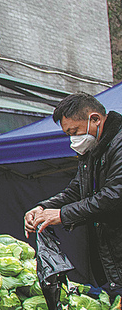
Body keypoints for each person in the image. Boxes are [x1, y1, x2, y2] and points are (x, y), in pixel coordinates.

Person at [25, 93, 122, 286]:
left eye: (75, 131)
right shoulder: (92, 150)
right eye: (68, 134)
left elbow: (115, 195)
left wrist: (62, 214)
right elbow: (77, 189)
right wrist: (44, 208)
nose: (73, 139)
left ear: (95, 119)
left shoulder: (118, 144)